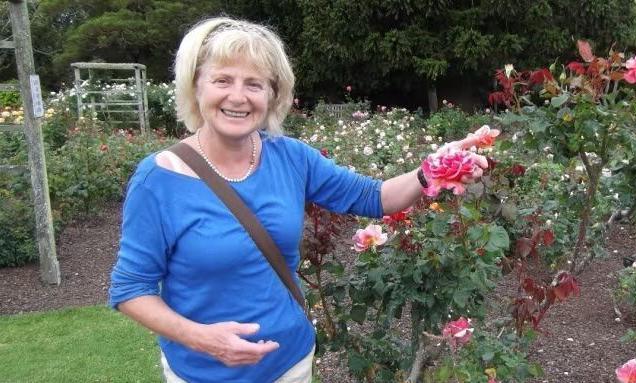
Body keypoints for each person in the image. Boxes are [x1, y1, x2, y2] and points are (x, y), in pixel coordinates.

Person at [109, 16, 488, 383]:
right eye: (222, 80)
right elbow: (131, 290)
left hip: (290, 362)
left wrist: (433, 169)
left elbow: (374, 197)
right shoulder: (159, 180)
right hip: (204, 372)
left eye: (254, 84)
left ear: (273, 95)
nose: (238, 97)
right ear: (196, 87)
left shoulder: (290, 157)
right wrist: (200, 338)